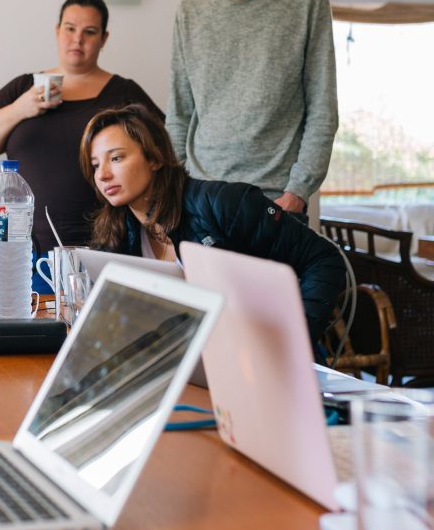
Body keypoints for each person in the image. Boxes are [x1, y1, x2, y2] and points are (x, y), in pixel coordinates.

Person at [79, 104, 346, 348]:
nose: (102, 175)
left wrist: (293, 340)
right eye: (94, 165)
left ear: (155, 158)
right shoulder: (116, 232)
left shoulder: (224, 204)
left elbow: (324, 258)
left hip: (260, 357)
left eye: (116, 158)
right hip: (190, 361)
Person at [167, 0, 338, 218]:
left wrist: (298, 192)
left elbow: (322, 109)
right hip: (201, 196)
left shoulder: (305, 1)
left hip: (275, 201)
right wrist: (177, 186)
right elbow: (179, 113)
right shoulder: (190, 11)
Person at [0, 0, 163, 248]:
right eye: (70, 29)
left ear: (104, 39)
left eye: (90, 32)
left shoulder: (124, 92)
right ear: (57, 30)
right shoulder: (23, 87)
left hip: (107, 243)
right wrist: (20, 109)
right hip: (23, 247)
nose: (77, 39)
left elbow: (163, 154)